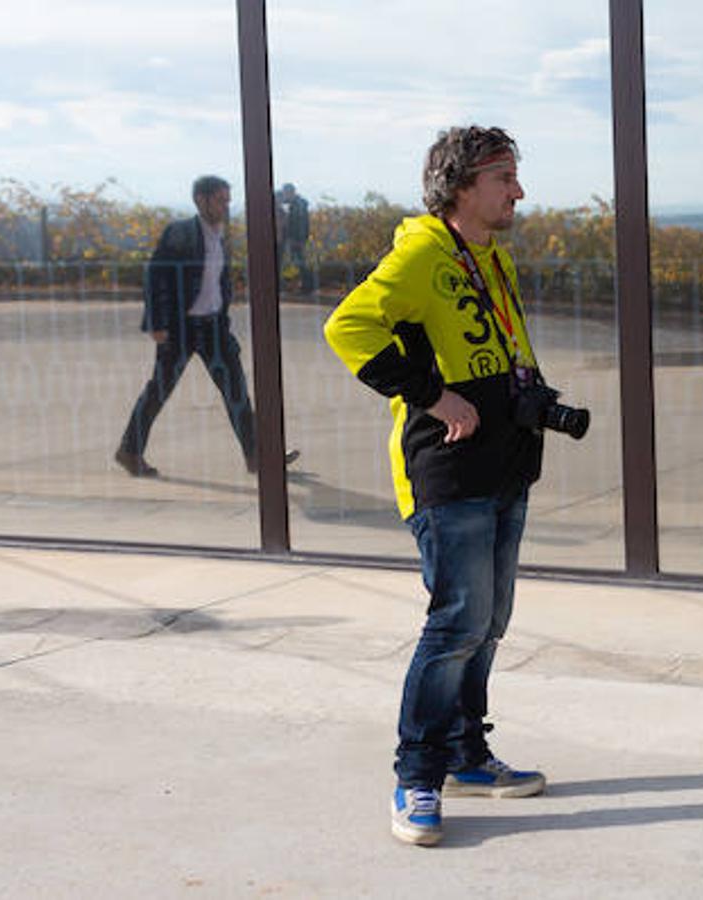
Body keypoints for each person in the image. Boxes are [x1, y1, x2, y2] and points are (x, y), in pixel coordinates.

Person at [325, 125, 551, 846]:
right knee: (455, 624)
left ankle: (466, 755)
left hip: (505, 463)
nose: (517, 190)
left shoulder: (487, 256)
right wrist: (432, 395)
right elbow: (349, 326)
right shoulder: (423, 250)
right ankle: (416, 777)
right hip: (448, 471)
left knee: (486, 626)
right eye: (503, 177)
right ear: (461, 186)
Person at [114, 175, 294, 478]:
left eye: (228, 200)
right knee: (158, 390)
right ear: (201, 199)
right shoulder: (180, 233)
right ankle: (129, 452)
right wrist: (156, 324)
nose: (226, 205)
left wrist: (223, 319)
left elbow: (217, 281)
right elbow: (155, 278)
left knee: (236, 390)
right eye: (221, 199)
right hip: (180, 328)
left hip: (213, 328)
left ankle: (257, 457)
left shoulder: (221, 235)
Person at [276, 182, 313, 293]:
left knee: (299, 262)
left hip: (296, 239)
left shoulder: (296, 206)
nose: (284, 197)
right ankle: (307, 286)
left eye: (285, 194)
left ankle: (308, 286)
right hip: (299, 239)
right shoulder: (299, 204)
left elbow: (296, 224)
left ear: (290, 192)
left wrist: (294, 238)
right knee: (300, 262)